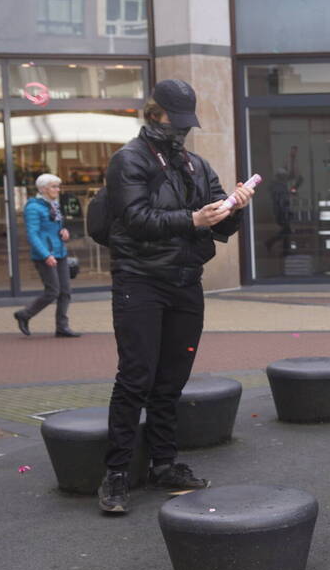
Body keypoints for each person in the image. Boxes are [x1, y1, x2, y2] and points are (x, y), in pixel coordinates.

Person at [97, 79, 254, 514]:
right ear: (155, 113)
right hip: (140, 280)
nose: (183, 130)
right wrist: (193, 218)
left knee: (169, 381)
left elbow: (218, 226)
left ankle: (163, 463)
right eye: (176, 120)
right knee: (135, 378)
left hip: (185, 281)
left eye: (187, 122)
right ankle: (115, 474)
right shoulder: (128, 159)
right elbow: (134, 219)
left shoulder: (195, 165)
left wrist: (233, 209)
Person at [13, 174, 79, 338]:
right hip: (45, 255)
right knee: (53, 291)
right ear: (43, 189)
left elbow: (55, 227)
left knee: (65, 291)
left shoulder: (54, 204)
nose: (57, 190)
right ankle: (25, 314)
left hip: (60, 252)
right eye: (53, 187)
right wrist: (46, 255)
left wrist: (63, 232)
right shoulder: (33, 208)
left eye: (58, 186)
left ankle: (62, 327)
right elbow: (33, 235)